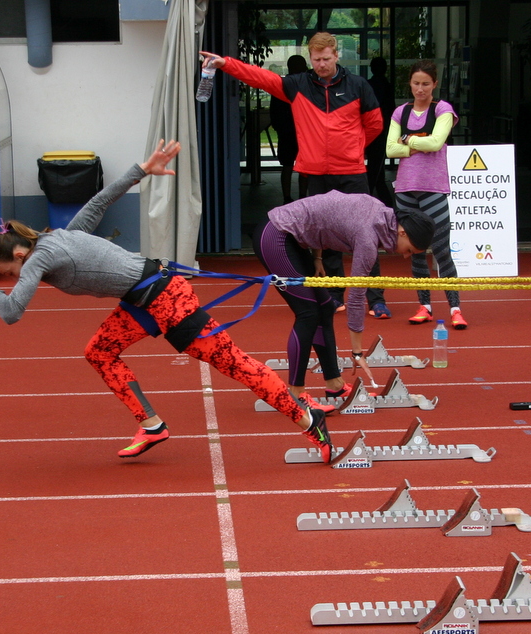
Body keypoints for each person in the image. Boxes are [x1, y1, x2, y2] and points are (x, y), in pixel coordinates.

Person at [0, 140, 335, 462]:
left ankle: (306, 419)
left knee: (235, 364)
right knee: (100, 351)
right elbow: (100, 202)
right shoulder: (59, 237)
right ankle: (151, 425)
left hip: (167, 298)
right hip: (141, 299)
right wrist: (142, 168)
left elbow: (11, 313)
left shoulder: (40, 256)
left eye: (11, 273)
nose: (16, 280)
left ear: (21, 256)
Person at [200, 33, 391, 319]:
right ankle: (334, 295)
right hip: (316, 174)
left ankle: (375, 298)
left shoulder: (358, 86)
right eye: (317, 60)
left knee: (369, 235)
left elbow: (375, 124)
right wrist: (225, 63)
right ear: (310, 58)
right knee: (326, 239)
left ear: (337, 55)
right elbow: (259, 77)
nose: (322, 65)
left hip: (351, 172)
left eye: (327, 58)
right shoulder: (297, 85)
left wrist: (352, 148)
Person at [252, 192, 434, 409]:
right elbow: (356, 297)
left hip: (293, 240)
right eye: (410, 250)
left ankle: (334, 383)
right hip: (276, 235)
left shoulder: (379, 212)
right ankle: (295, 394)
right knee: (308, 313)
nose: (406, 256)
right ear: (402, 232)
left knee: (325, 307)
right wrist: (357, 352)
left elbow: (323, 216)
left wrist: (317, 257)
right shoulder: (368, 237)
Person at [386, 59, 467, 330]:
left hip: (433, 189)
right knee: (416, 252)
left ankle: (455, 308)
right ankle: (424, 306)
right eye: (416, 83)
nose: (420, 89)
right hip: (405, 190)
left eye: (425, 84)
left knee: (442, 250)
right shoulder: (401, 112)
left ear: (434, 84)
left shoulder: (443, 109)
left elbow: (436, 142)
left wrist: (407, 140)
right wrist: (419, 144)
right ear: (409, 84)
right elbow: (389, 150)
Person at [269, 55, 308, 204]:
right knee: (304, 167)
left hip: (286, 131)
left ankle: (287, 197)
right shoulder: (307, 84)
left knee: (287, 165)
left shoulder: (281, 84)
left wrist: (279, 127)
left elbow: (275, 110)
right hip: (303, 131)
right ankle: (303, 196)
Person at [366, 56, 395, 207]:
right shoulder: (387, 86)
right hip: (383, 131)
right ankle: (387, 204)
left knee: (374, 171)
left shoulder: (370, 85)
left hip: (372, 131)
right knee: (376, 170)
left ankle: (370, 202)